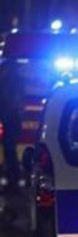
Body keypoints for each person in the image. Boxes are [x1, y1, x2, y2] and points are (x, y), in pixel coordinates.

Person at [0, 60, 23, 194]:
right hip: (11, 119)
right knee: (10, 151)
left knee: (10, 151)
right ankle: (13, 179)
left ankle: (13, 181)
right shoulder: (14, 82)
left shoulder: (9, 83)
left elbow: (9, 103)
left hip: (10, 119)